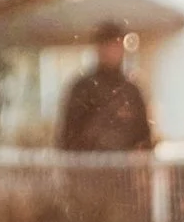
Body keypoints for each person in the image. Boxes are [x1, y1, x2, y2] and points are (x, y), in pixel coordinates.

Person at [56, 27, 153, 155]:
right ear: (98, 48)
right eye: (108, 45)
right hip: (88, 169)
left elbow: (143, 136)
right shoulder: (83, 87)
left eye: (116, 45)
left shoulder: (131, 90)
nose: (112, 51)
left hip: (125, 171)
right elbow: (68, 135)